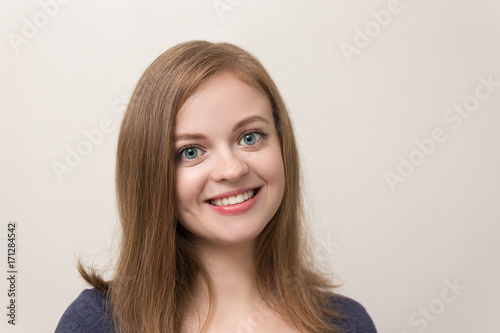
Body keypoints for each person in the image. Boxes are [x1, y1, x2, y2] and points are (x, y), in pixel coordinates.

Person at [55, 41, 377, 333]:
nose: (232, 170)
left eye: (250, 137)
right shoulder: (94, 324)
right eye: (190, 151)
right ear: (150, 177)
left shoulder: (348, 324)